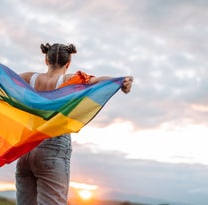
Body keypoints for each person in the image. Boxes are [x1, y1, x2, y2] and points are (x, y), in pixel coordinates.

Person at [15, 43, 133, 205]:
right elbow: (97, 81)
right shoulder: (70, 80)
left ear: (46, 60)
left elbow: (1, 78)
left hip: (25, 151)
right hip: (52, 151)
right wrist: (122, 81)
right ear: (68, 63)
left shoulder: (29, 78)